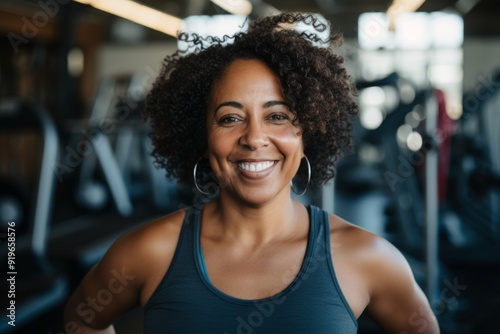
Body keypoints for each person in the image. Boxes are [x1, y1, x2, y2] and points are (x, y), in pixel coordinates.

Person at [64, 12, 439, 333]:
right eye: (230, 119)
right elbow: (81, 320)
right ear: (203, 135)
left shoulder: (367, 257)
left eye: (277, 116)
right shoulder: (148, 252)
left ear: (307, 131)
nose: (255, 138)